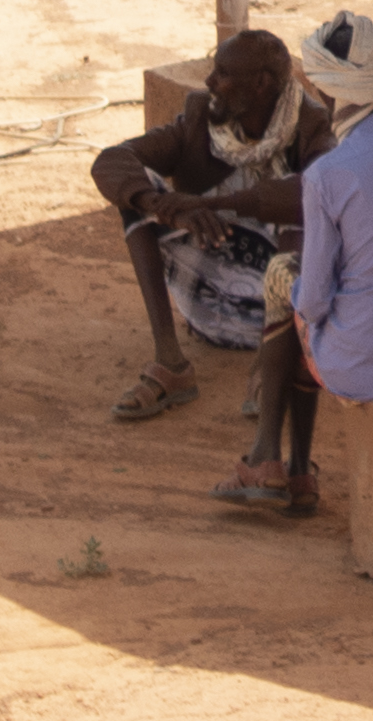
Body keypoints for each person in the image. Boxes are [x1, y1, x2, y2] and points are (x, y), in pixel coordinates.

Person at [218, 3, 373, 519]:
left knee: (284, 279)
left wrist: (307, 302)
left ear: (325, 90)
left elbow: (311, 301)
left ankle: (269, 455)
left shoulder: (327, 174)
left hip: (361, 367)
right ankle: (299, 471)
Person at [91, 26, 331, 424]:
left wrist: (208, 204)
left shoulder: (312, 126)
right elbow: (111, 160)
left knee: (305, 208)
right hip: (210, 303)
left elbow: (311, 195)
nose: (209, 81)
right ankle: (171, 363)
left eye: (222, 73)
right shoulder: (201, 117)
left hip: (282, 310)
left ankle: (269, 369)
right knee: (136, 198)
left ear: (260, 84)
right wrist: (164, 205)